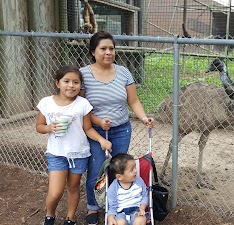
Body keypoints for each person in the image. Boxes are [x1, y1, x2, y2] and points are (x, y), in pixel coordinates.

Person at [79, 30, 154, 225]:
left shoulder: (123, 72)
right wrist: (98, 121)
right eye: (103, 48)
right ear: (93, 52)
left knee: (118, 169)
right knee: (96, 170)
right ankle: (93, 207)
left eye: (111, 48)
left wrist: (144, 118)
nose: (108, 52)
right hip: (96, 132)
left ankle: (115, 208)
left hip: (121, 129)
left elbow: (134, 100)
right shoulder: (83, 74)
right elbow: (82, 109)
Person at [36, 66, 112, 225]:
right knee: (55, 192)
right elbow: (39, 127)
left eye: (76, 82)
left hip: (79, 153)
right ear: (57, 83)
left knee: (73, 187)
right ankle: (49, 215)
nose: (71, 85)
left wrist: (101, 140)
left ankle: (70, 218)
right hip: (57, 154)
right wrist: (49, 128)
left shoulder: (82, 104)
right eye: (66, 81)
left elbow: (88, 128)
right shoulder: (46, 103)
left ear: (80, 85)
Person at [107, 153, 149, 225]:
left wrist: (142, 208)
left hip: (137, 210)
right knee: (119, 222)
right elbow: (112, 207)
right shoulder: (113, 188)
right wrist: (110, 217)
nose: (136, 171)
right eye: (132, 170)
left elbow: (145, 195)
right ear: (119, 177)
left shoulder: (139, 181)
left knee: (140, 220)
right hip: (120, 213)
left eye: (135, 167)